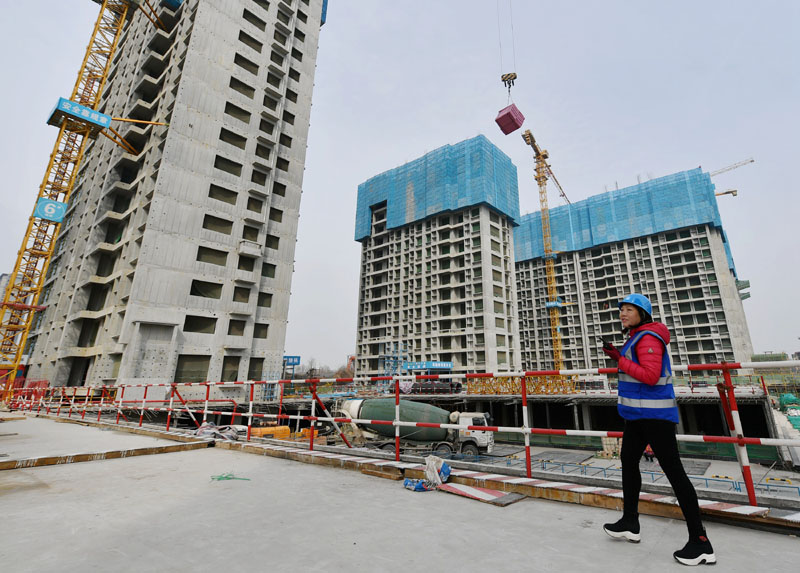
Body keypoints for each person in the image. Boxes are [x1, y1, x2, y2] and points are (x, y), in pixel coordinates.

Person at [601, 293, 715, 566]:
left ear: (642, 313)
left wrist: (619, 359)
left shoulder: (649, 337)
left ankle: (700, 542)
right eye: (621, 310)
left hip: (654, 417)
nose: (623, 314)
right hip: (637, 416)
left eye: (629, 310)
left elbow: (651, 377)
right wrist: (619, 354)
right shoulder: (637, 336)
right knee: (628, 461)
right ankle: (630, 522)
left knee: (675, 473)